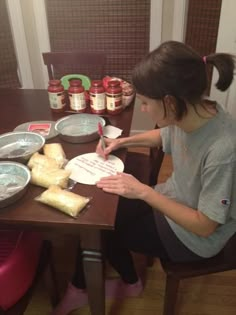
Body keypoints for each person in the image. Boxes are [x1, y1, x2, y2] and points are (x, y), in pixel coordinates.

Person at [52, 41, 236, 315]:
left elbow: (205, 227)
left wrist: (145, 192)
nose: (145, 110)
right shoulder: (196, 111)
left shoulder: (223, 149)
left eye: (147, 103)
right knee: (102, 211)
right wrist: (123, 141)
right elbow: (164, 135)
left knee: (104, 228)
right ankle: (117, 282)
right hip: (173, 199)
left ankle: (89, 288)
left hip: (195, 239)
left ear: (169, 102)